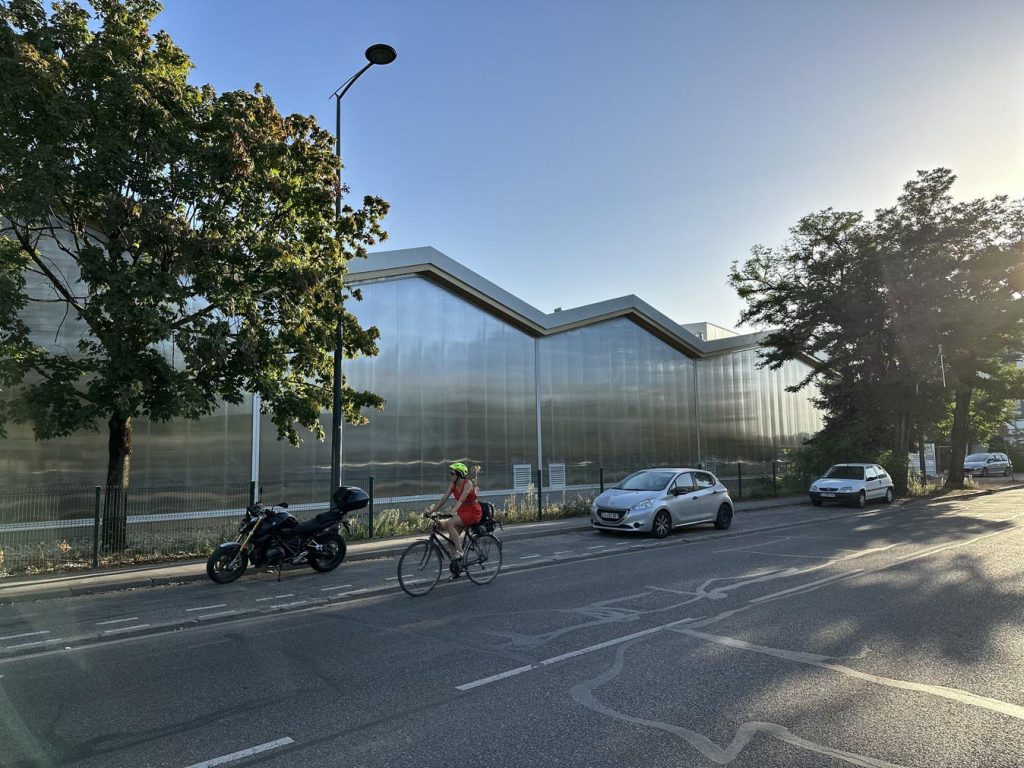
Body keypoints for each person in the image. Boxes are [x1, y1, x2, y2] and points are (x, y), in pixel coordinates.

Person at [425, 462, 482, 577]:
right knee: (451, 542)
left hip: (473, 512)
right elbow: (444, 498)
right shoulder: (453, 484)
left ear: (459, 474)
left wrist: (453, 511)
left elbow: (461, 500)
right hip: (462, 512)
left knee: (450, 523)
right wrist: (431, 511)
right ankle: (456, 570)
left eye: (452, 473)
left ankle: (460, 552)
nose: (450, 476)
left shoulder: (468, 484)